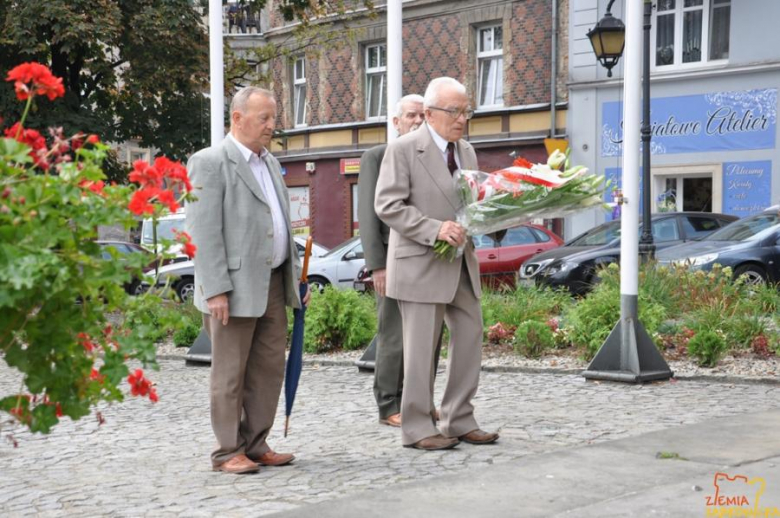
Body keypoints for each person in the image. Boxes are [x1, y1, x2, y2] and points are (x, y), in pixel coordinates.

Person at [186, 86, 310, 474]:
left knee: (268, 368)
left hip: (273, 283)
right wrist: (216, 289)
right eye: (265, 118)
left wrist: (293, 281)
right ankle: (227, 450)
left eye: (274, 118)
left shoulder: (270, 163)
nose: (272, 126)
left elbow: (279, 226)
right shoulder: (209, 162)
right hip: (233, 288)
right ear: (237, 119)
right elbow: (203, 233)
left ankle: (256, 443)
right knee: (230, 372)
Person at [374, 77, 499, 451]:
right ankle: (416, 427)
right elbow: (388, 205)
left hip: (461, 262)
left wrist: (494, 214)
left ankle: (458, 418)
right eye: (454, 111)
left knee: (470, 337)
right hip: (420, 263)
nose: (462, 118)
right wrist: (434, 229)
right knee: (419, 350)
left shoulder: (468, 152)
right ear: (428, 114)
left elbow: (469, 204)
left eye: (466, 111)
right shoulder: (403, 149)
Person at [358, 94, 425, 428]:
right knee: (394, 334)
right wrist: (377, 265)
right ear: (396, 122)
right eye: (411, 115)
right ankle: (388, 404)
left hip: (427, 258)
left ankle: (416, 402)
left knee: (424, 335)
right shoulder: (377, 156)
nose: (417, 121)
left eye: (422, 116)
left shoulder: (432, 158)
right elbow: (369, 216)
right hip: (392, 260)